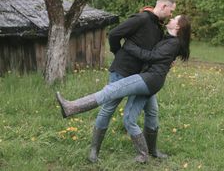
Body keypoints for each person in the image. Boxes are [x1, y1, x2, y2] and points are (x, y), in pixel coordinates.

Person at [56, 14, 191, 163]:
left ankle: (72, 107)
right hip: (148, 78)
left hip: (149, 79)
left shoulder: (173, 43)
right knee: (129, 118)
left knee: (111, 91)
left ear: (178, 26)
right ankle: (144, 155)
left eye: (174, 19)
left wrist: (129, 47)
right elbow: (161, 56)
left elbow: (152, 56)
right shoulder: (167, 38)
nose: (171, 19)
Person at [86, 0, 176, 163]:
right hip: (122, 71)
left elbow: (156, 53)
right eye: (171, 11)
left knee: (152, 110)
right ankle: (93, 151)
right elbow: (114, 34)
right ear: (164, 6)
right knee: (108, 108)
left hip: (143, 78)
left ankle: (152, 150)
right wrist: (118, 52)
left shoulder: (158, 27)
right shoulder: (141, 19)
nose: (171, 14)